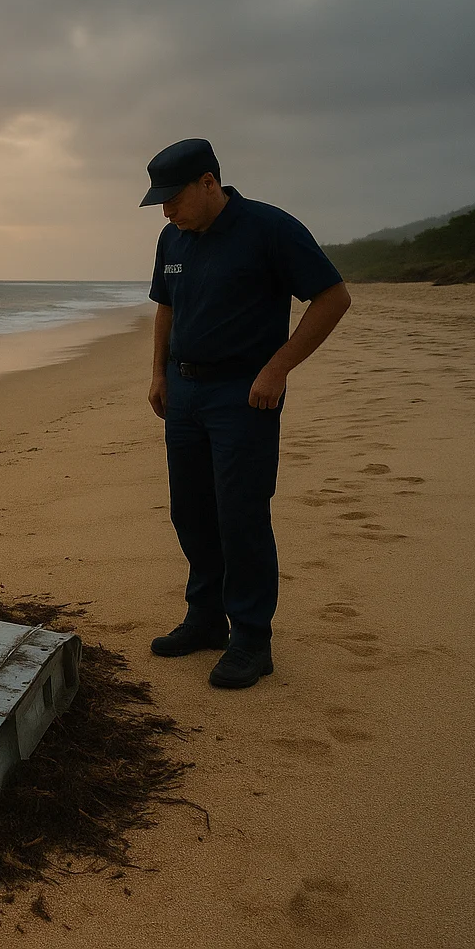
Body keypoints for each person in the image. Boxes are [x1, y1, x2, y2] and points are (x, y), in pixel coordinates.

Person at [140, 138, 351, 689]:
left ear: (209, 183)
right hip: (184, 391)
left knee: (241, 515)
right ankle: (206, 619)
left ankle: (252, 639)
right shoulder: (173, 237)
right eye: (160, 201)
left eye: (174, 198)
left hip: (245, 393)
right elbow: (167, 305)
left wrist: (279, 368)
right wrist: (159, 373)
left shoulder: (270, 228)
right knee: (190, 510)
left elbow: (332, 298)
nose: (167, 211)